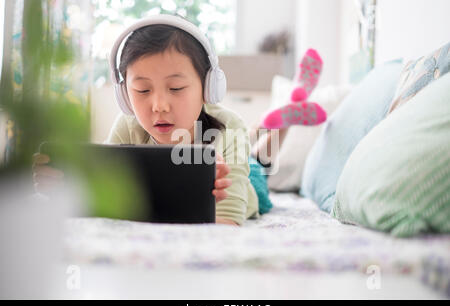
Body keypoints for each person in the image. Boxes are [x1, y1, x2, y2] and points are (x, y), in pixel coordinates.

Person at [32, 14, 327, 226]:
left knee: (260, 164)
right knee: (248, 147)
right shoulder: (127, 127)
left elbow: (228, 220)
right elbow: (111, 190)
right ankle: (267, 124)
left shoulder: (228, 124)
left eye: (175, 88)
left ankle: (282, 119)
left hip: (246, 180)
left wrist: (221, 207)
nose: (158, 105)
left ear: (208, 89)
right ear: (124, 94)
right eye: (142, 90)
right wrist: (68, 188)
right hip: (228, 143)